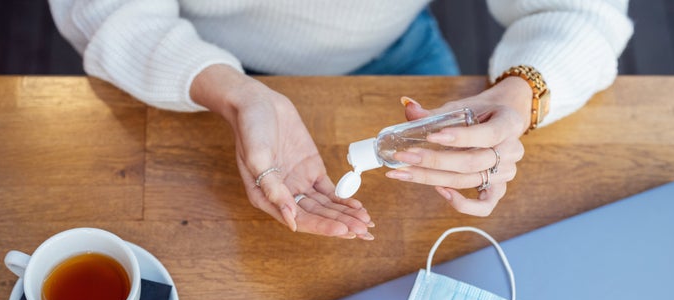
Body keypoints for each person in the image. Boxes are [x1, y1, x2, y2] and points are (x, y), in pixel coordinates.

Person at [49, 0, 633, 240]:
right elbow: (107, 12)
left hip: (395, 50)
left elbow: (580, 12)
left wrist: (521, 96)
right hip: (189, 53)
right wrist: (231, 93)